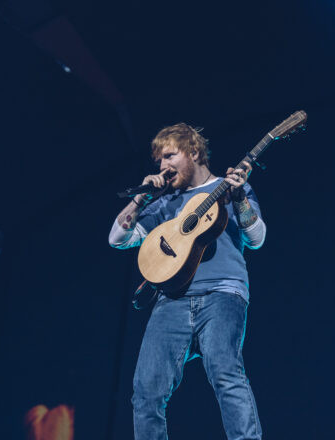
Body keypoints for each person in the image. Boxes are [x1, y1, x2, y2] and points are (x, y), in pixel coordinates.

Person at [108, 123, 266, 440]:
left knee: (225, 373)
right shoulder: (164, 203)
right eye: (160, 161)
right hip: (171, 301)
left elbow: (257, 237)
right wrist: (141, 198)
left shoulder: (230, 186)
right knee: (146, 391)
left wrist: (240, 200)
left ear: (193, 152)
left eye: (170, 156)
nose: (163, 166)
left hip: (223, 292)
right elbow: (117, 238)